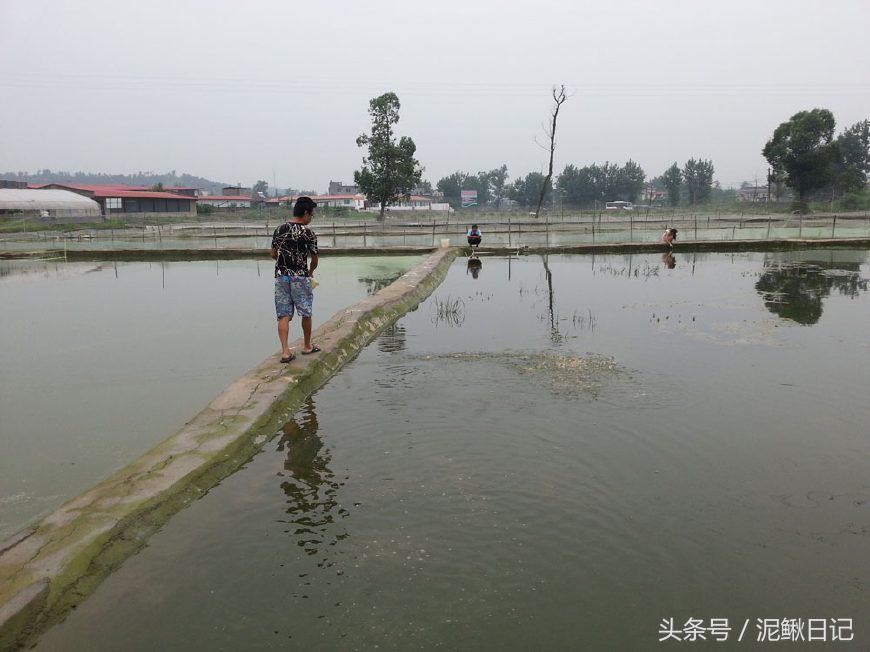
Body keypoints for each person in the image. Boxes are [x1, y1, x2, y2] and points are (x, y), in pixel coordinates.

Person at [270, 196, 320, 363]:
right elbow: (314, 259)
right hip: (300, 277)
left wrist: (283, 263)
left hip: (281, 277)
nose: (311, 218)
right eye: (311, 214)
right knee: (306, 312)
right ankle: (307, 346)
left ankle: (285, 352)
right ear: (306, 213)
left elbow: (273, 254)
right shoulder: (308, 233)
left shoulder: (279, 229)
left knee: (283, 314)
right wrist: (310, 271)